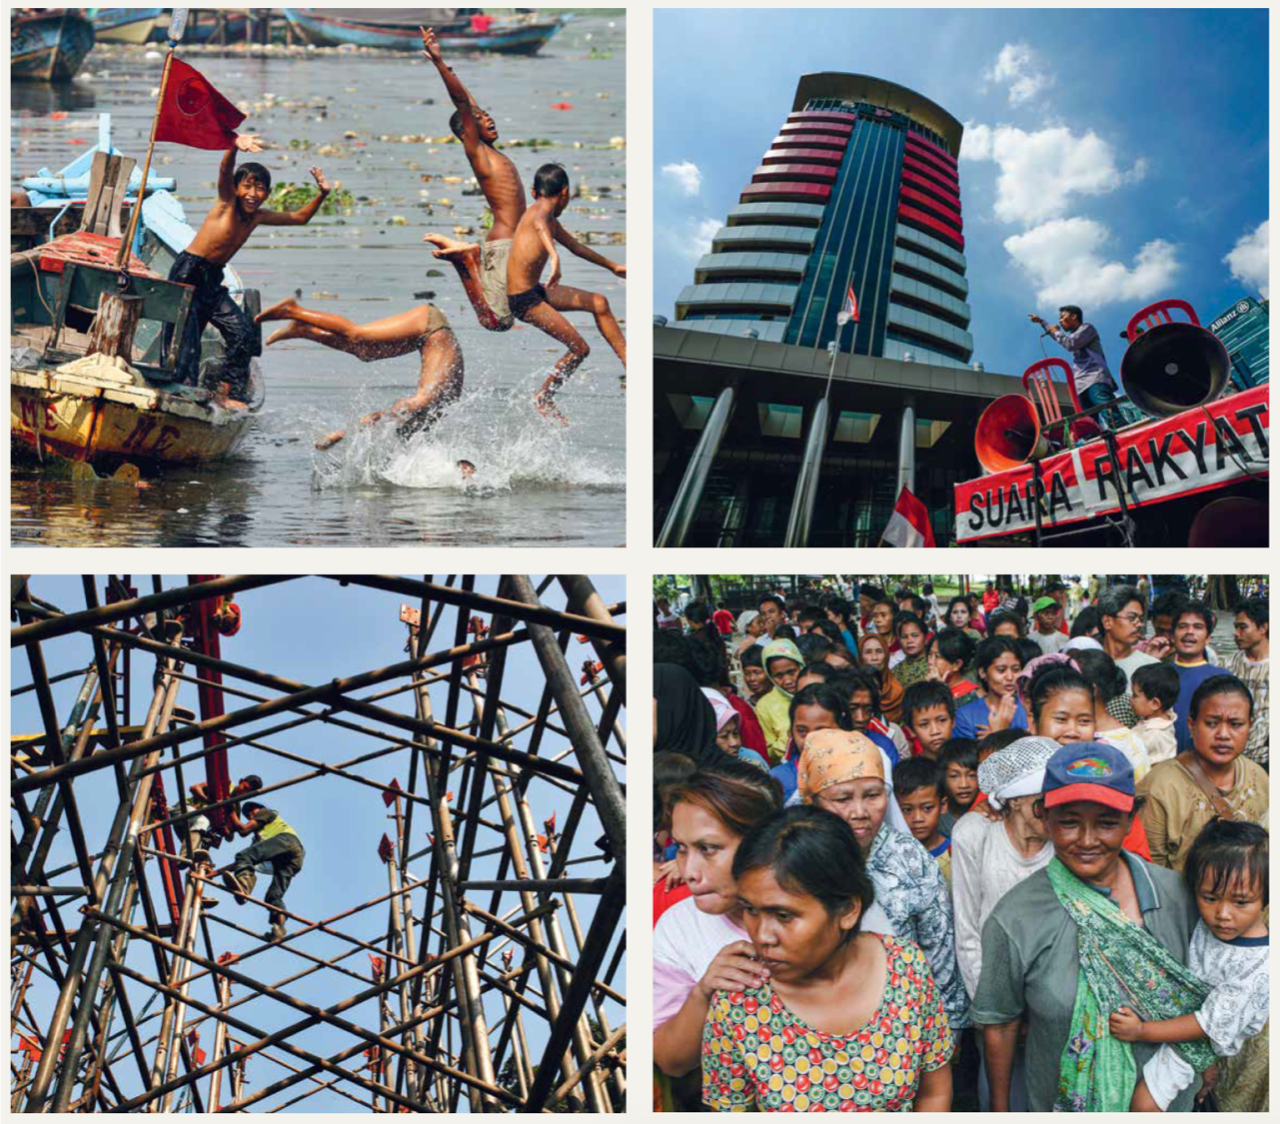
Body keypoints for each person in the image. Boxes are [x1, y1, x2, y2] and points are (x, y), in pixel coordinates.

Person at [972, 742, 1204, 1112]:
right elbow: (999, 1023)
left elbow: (1211, 995)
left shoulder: (1178, 897)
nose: (1087, 840)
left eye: (1107, 822)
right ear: (1044, 818)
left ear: (1132, 820)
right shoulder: (1016, 916)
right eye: (1068, 821)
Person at [702, 804, 953, 1111]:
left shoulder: (905, 967)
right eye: (750, 910)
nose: (762, 935)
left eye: (783, 915)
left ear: (847, 909)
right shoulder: (738, 1002)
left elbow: (934, 1092)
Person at [797, 729, 969, 1035]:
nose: (860, 812)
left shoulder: (908, 857)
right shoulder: (792, 861)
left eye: (873, 796)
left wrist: (945, 1030)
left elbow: (939, 947)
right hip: (815, 1029)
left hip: (905, 1027)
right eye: (842, 798)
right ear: (811, 799)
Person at [1110, 819, 1269, 1113]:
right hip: (1181, 1013)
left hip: (1198, 1040)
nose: (1223, 914)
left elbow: (1203, 1025)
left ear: (1265, 899)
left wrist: (1142, 1031)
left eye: (1241, 902)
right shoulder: (1202, 918)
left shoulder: (1255, 970)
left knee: (1143, 1106)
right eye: (1210, 898)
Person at [170, 139, 330, 405]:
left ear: (267, 193)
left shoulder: (257, 217)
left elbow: (300, 218)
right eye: (247, 185)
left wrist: (322, 194)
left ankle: (228, 392)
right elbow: (224, 171)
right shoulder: (226, 204)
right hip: (190, 271)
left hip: (212, 276)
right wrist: (233, 146)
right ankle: (183, 392)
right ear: (236, 188)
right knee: (189, 338)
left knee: (242, 332)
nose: (253, 193)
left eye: (260, 188)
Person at [653, 763, 785, 1082]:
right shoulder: (677, 927)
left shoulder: (831, 904)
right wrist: (704, 993)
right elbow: (670, 1059)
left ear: (761, 842)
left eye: (708, 849)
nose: (689, 872)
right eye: (682, 849)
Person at [949, 736, 1058, 1109]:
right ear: (1012, 801)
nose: (1051, 815)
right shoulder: (973, 834)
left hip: (1052, 1003)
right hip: (993, 996)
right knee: (1000, 1097)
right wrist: (992, 1009)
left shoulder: (1066, 839)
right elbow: (967, 933)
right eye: (1040, 805)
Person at [418, 25, 525, 332]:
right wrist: (440, 64)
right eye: (478, 120)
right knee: (496, 322)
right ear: (467, 132)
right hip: (502, 244)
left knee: (517, 308)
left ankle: (468, 257)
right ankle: (466, 258)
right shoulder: (478, 152)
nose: (487, 118)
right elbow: (463, 104)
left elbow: (470, 103)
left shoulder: (496, 153)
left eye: (487, 115)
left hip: (519, 243)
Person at [255, 297, 464, 450]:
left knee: (365, 353)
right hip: (429, 324)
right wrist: (342, 434)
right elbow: (392, 412)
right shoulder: (423, 402)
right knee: (357, 335)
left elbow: (392, 418)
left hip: (429, 336)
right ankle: (292, 310)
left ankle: (303, 330)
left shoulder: (433, 410)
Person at [504, 163, 627, 424]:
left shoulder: (548, 216)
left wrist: (613, 266)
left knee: (599, 302)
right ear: (565, 192)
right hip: (523, 300)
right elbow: (539, 225)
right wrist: (553, 255)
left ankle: (629, 361)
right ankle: (543, 397)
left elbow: (576, 247)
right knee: (579, 348)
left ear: (534, 190)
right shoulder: (540, 212)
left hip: (536, 291)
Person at [1138, 675, 1268, 872]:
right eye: (1212, 723)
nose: (1223, 735)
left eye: (1235, 724)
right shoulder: (1159, 787)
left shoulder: (1259, 778)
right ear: (1191, 725)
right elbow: (1148, 872)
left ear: (1249, 726)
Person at [1028, 305, 1123, 430]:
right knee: (1089, 425)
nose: (1060, 321)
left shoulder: (1087, 328)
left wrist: (1056, 331)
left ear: (1074, 316)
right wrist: (1042, 322)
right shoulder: (1071, 335)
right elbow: (1060, 338)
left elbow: (1070, 344)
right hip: (1080, 384)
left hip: (1095, 378)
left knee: (1111, 415)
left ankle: (1132, 438)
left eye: (1062, 317)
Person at [222, 801, 305, 942]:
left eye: (252, 811)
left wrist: (231, 813)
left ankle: (243, 886)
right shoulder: (260, 836)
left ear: (260, 809)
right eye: (248, 815)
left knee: (243, 856)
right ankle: (279, 927)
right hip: (293, 857)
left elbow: (243, 831)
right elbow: (252, 855)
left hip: (287, 842)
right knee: (273, 897)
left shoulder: (266, 812)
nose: (251, 815)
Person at [1072, 648, 1152, 783]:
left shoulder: (1129, 745)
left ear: (1092, 690)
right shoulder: (1065, 732)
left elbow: (1141, 795)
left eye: (1070, 684)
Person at [1170, 602, 1227, 752]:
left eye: (1198, 627)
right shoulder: (1159, 674)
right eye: (1182, 626)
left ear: (1208, 638)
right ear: (1172, 635)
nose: (1189, 632)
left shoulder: (1223, 679)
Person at [953, 638, 1027, 741]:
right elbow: (965, 756)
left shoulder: (1029, 709)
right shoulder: (965, 716)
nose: (1010, 677)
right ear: (983, 672)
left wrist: (995, 737)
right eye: (1001, 670)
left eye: (1016, 669)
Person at [893, 757, 952, 883]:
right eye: (907, 810)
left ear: (943, 805)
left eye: (927, 808)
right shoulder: (893, 857)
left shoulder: (954, 853)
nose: (917, 818)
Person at [1226, 597, 1268, 771]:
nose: (1236, 633)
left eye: (1243, 627)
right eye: (1236, 627)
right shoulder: (1228, 664)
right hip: (1231, 754)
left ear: (1263, 627)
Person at [184, 774, 263, 864]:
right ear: (241, 781)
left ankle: (192, 865)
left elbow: (230, 836)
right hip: (187, 812)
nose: (244, 793)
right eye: (245, 788)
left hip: (197, 829)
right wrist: (210, 802)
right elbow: (194, 788)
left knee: (204, 860)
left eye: (248, 793)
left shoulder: (235, 809)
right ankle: (187, 856)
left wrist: (226, 830)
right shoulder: (226, 785)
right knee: (203, 822)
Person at [754, 638, 804, 764]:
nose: (787, 681)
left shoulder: (816, 692)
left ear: (801, 665)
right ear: (770, 676)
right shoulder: (764, 706)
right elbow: (767, 751)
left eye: (792, 672)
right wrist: (786, 739)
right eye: (779, 676)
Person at [1099, 584, 1161, 681]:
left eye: (1140, 619)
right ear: (1107, 622)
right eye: (1131, 618)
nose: (1139, 624)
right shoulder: (1088, 665)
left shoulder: (1151, 667)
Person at [702, 688, 769, 772]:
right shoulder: (693, 770)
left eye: (736, 733)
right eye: (724, 736)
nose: (735, 743)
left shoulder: (752, 761)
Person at [1130, 661, 1181, 765]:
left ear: (1155, 703)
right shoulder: (1162, 720)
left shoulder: (1153, 736)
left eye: (1134, 695)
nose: (1130, 699)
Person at [901, 680, 956, 760]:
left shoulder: (974, 762)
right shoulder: (911, 772)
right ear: (911, 730)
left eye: (942, 720)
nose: (935, 731)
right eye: (924, 724)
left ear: (953, 720)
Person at [928, 628, 980, 707]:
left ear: (956, 664)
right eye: (930, 654)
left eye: (937, 656)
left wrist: (940, 689)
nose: (930, 661)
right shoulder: (929, 684)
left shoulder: (971, 695)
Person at [938, 738, 980, 830]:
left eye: (972, 775)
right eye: (954, 776)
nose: (964, 785)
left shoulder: (989, 815)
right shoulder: (936, 819)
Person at [891, 613, 930, 686]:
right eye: (904, 637)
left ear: (925, 638)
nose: (909, 641)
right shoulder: (896, 671)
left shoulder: (934, 665)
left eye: (915, 635)